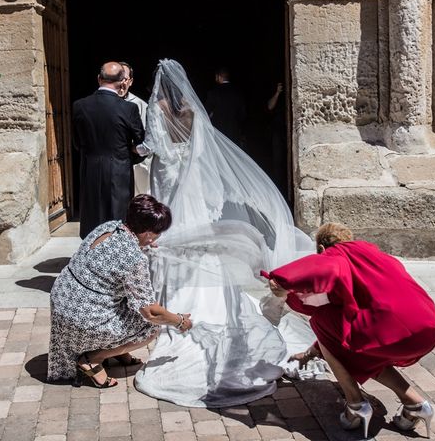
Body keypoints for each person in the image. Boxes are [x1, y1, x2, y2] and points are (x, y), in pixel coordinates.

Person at [133, 59, 315, 407]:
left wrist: (138, 152)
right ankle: (198, 284)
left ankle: (166, 287)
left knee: (165, 228)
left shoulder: (157, 109)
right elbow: (199, 149)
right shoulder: (191, 111)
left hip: (166, 173)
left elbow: (153, 144)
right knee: (192, 231)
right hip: (188, 175)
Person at [265, 223, 435, 438]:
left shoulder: (336, 255)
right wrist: (311, 353)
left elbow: (321, 268)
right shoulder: (374, 256)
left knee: (321, 321)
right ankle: (415, 405)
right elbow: (344, 322)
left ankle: (355, 405)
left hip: (394, 330)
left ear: (321, 248)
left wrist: (281, 281)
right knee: (356, 346)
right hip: (428, 327)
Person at [48, 194, 192, 387]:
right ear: (148, 233)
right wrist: (179, 321)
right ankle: (93, 359)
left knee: (127, 299)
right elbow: (150, 311)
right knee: (151, 327)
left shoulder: (109, 227)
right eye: (157, 232)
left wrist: (144, 243)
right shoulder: (134, 259)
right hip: (81, 317)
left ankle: (118, 351)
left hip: (63, 300)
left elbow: (115, 257)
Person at [73, 61, 145, 239]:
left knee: (91, 213)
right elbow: (141, 144)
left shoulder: (79, 105)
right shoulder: (129, 108)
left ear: (99, 79)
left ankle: (90, 253)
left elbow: (76, 142)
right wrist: (129, 156)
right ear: (123, 82)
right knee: (117, 215)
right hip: (119, 170)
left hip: (90, 168)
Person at [119, 62, 151, 195]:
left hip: (135, 164)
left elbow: (145, 138)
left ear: (130, 81)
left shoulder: (140, 105)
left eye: (124, 78)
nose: (120, 82)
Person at [204, 66, 247, 146]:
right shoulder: (238, 93)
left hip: (218, 132)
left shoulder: (213, 93)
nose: (215, 78)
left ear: (219, 77)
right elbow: (242, 115)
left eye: (216, 76)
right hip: (233, 131)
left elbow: (206, 112)